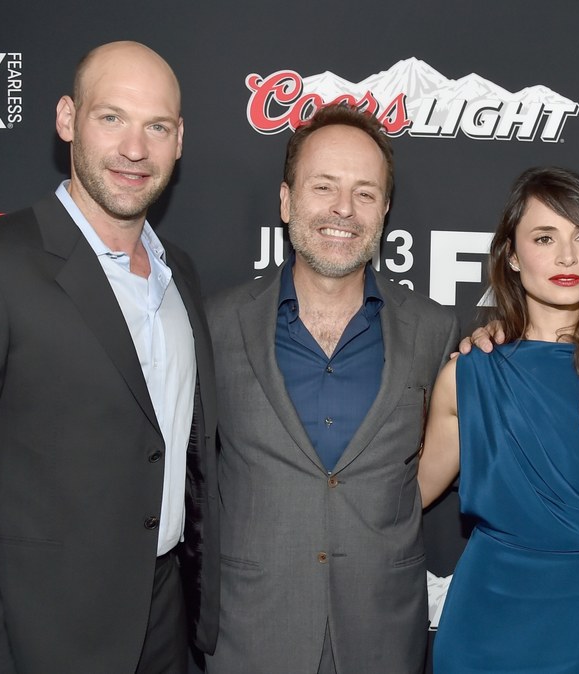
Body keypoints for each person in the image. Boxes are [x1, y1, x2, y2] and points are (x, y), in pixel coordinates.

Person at [0, 41, 217, 674]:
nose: (135, 148)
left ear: (179, 140)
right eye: (112, 118)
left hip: (164, 623)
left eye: (156, 126)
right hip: (36, 636)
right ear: (67, 118)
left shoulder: (181, 271)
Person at [205, 103, 459, 674]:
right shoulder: (215, 326)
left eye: (365, 193)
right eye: (324, 186)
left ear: (385, 210)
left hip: (383, 636)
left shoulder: (435, 331)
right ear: (287, 200)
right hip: (250, 634)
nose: (344, 209)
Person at [420, 167, 579, 673]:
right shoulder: (471, 374)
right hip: (485, 622)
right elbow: (405, 499)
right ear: (511, 254)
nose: (567, 257)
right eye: (544, 237)